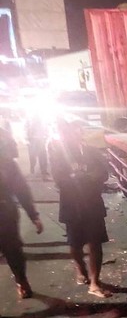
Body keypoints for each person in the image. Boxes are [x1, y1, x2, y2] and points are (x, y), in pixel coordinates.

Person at [49, 120, 112, 298]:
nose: (74, 136)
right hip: (71, 204)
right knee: (75, 244)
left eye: (77, 133)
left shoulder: (91, 152)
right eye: (69, 133)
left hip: (92, 203)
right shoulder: (58, 155)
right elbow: (59, 179)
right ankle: (80, 268)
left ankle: (95, 282)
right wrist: (83, 177)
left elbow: (103, 174)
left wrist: (86, 177)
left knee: (95, 242)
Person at [0, 127, 43, 299]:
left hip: (5, 215)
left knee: (14, 251)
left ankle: (21, 280)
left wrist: (34, 216)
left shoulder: (7, 164)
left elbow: (22, 191)